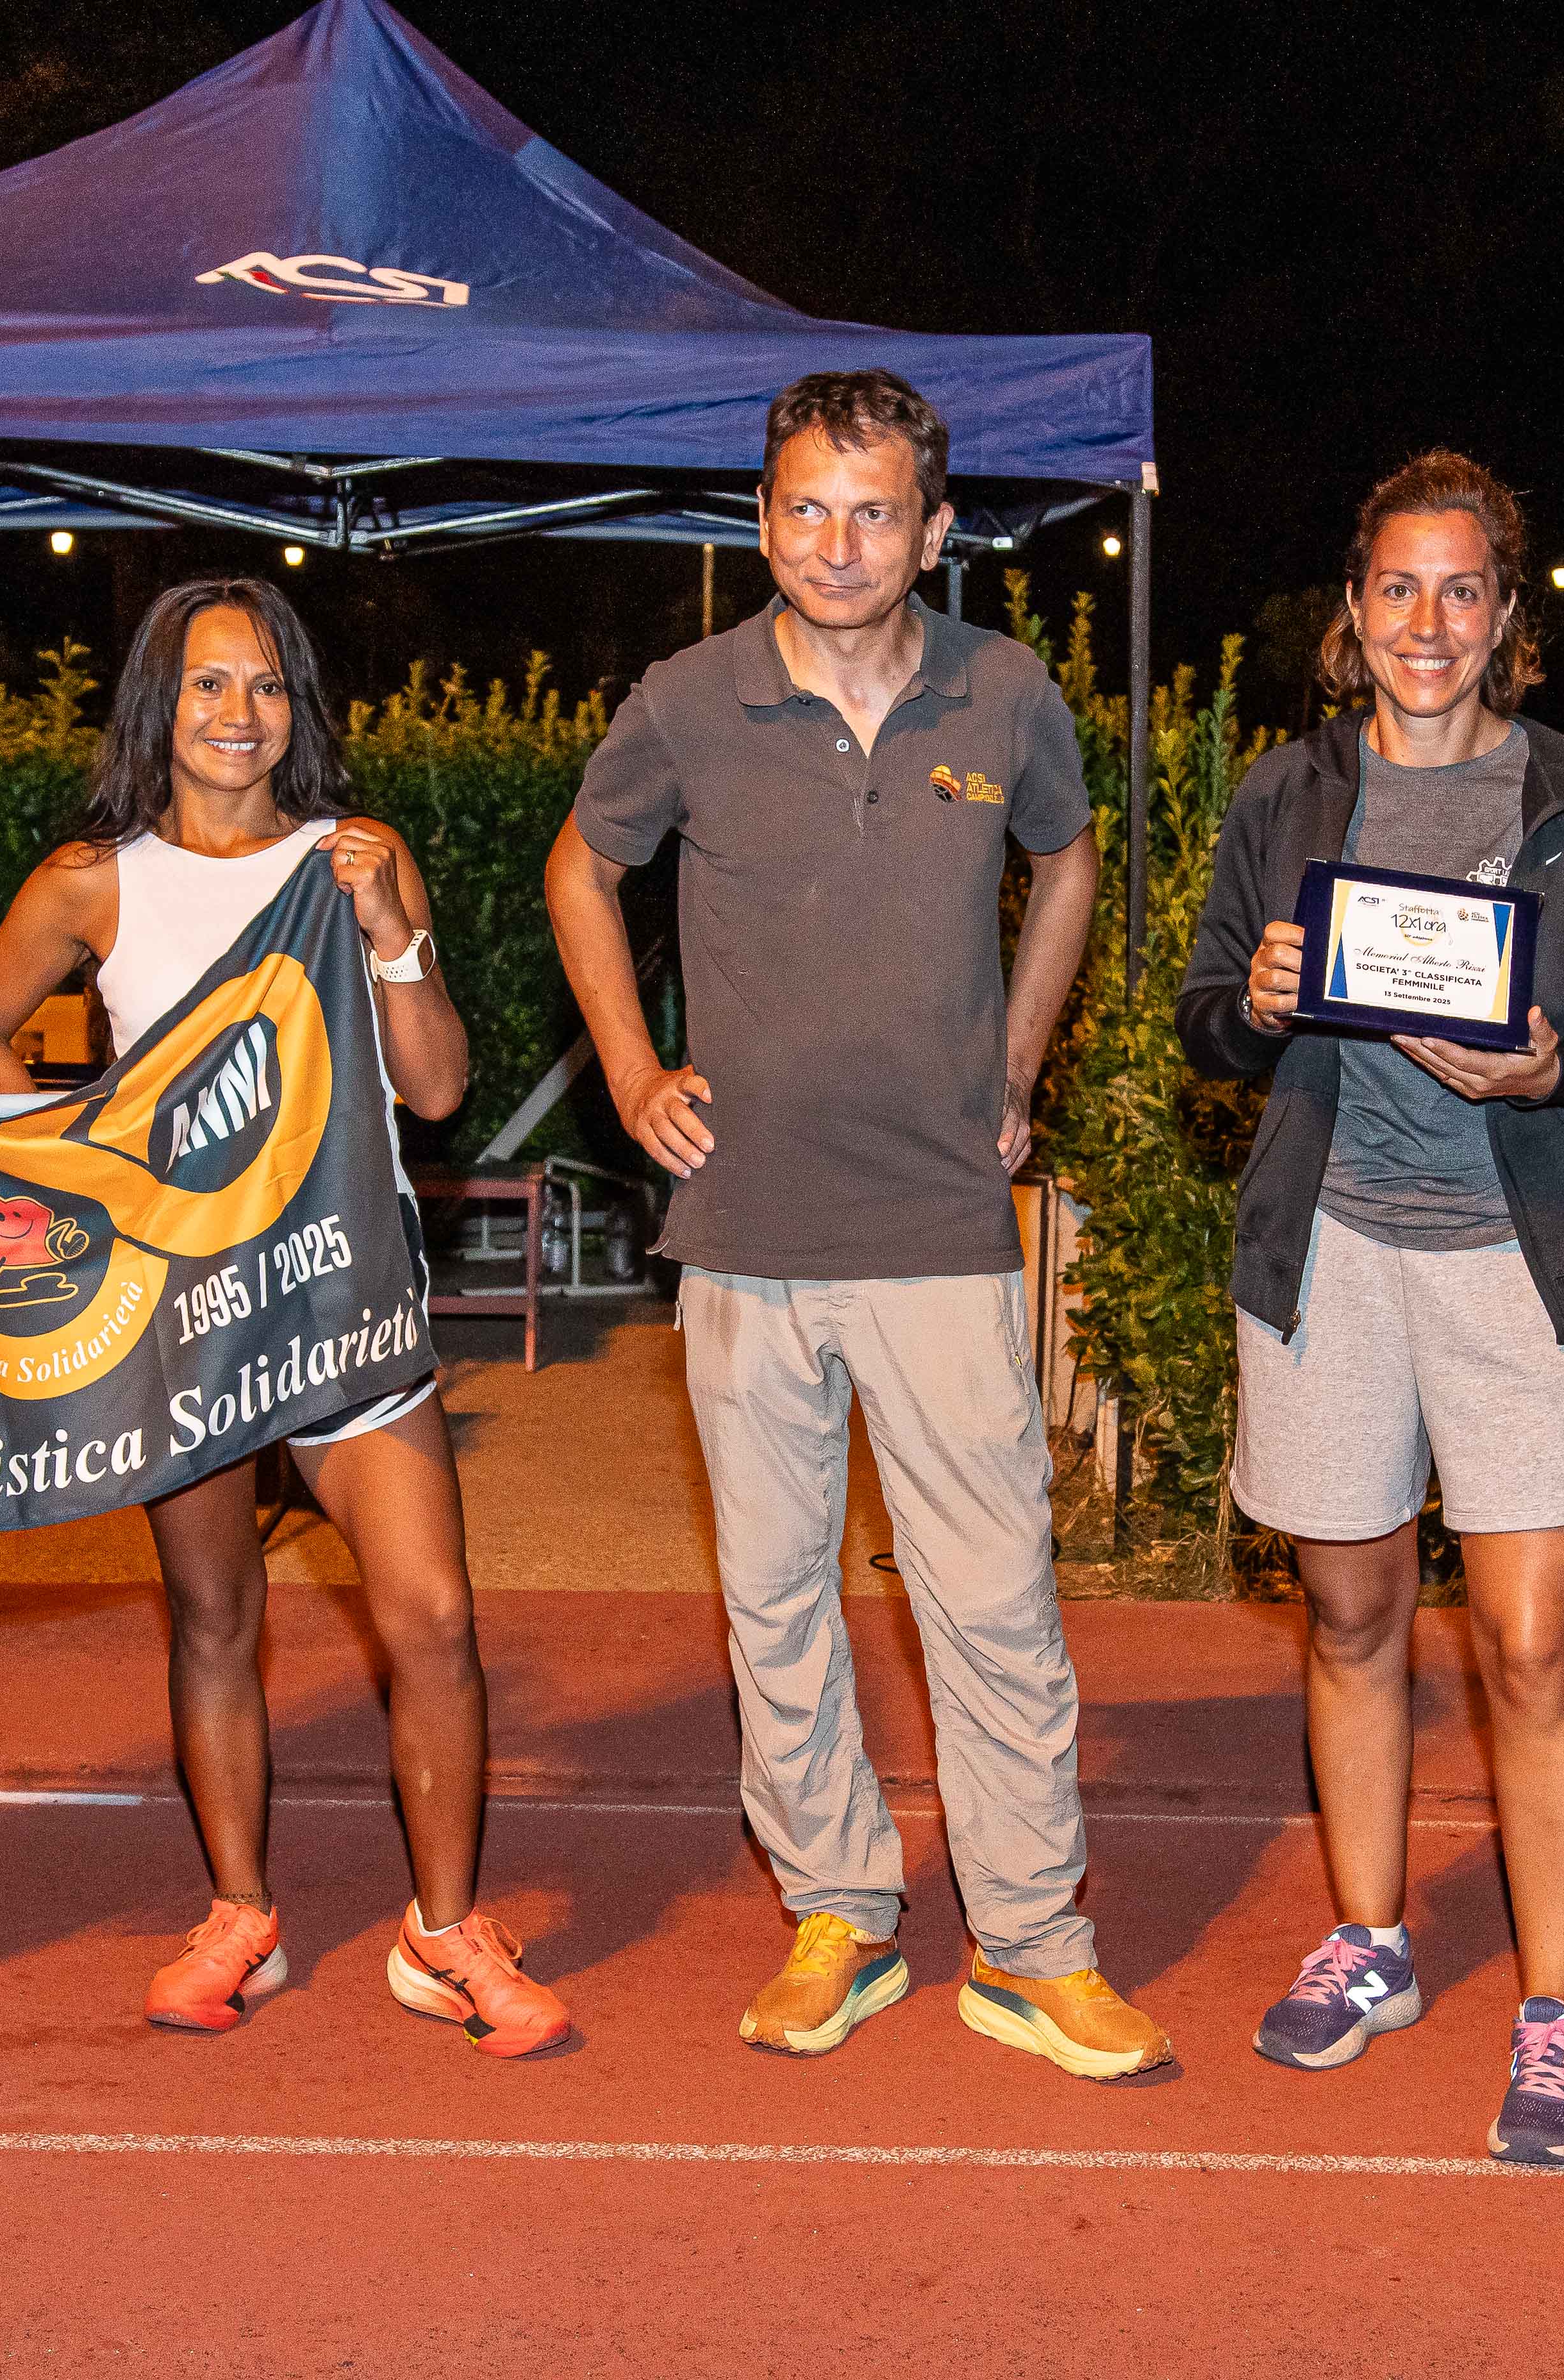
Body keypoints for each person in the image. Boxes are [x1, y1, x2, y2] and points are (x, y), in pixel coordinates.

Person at [544, 369, 1168, 2081]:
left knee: (995, 1597)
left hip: (940, 1221)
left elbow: (1069, 859)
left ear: (935, 529)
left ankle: (1030, 1944)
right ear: (764, 522)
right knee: (776, 1599)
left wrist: (1019, 1057)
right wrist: (629, 1067)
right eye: (806, 509)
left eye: (873, 511)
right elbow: (583, 870)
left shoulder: (1008, 691)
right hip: (744, 1221)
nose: (837, 543)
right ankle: (841, 1910)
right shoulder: (686, 701)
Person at [0, 578, 570, 2058]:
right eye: (209, 683)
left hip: (344, 1294)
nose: (240, 713)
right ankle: (241, 1910)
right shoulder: (90, 883)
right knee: (216, 1614)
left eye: (269, 684)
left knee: (434, 1615)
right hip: (184, 1308)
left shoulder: (355, 857)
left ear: (300, 706)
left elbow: (436, 1088)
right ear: (158, 704)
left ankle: (444, 1930)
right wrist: (63, 1160)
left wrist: (392, 932)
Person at [1176, 449, 1564, 2166]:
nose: (1428, 621)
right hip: (1330, 1257)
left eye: (1463, 590)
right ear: (1354, 608)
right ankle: (1375, 1937)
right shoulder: (1287, 793)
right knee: (1352, 1618)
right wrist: (1254, 1002)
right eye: (1399, 587)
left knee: (1534, 1648)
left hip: (1516, 1263)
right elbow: (1206, 1017)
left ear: (1507, 616)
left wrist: (1557, 1069)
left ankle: (1556, 2015)